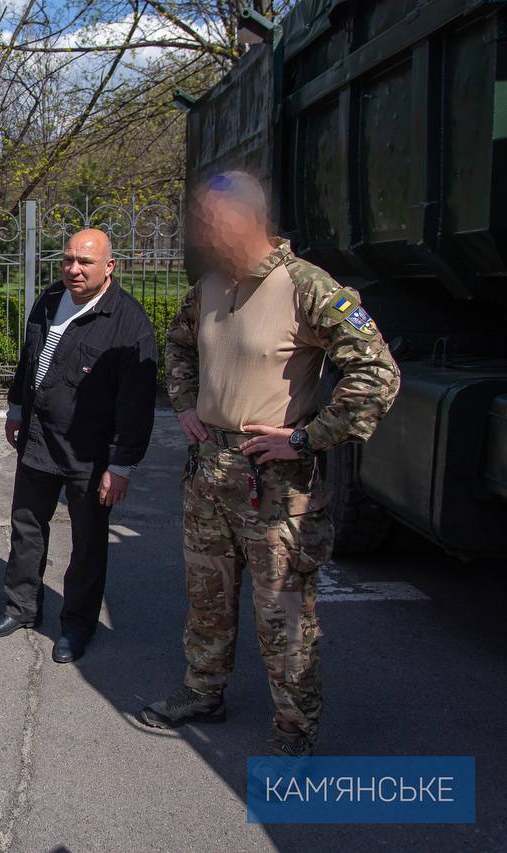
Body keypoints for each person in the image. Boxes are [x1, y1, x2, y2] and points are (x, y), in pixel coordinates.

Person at [138, 171, 400, 757]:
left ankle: (294, 728)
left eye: (211, 220)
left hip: (276, 485)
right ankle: (203, 691)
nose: (201, 232)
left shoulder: (306, 286)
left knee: (283, 614)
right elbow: (178, 344)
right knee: (207, 596)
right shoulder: (209, 286)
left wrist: (308, 438)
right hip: (208, 473)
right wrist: (185, 403)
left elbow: (377, 372)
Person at [0, 229, 157, 663]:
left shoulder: (128, 323)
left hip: (89, 453)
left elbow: (136, 404)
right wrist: (16, 407)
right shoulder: (51, 298)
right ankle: (20, 608)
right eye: (68, 259)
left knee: (87, 543)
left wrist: (122, 465)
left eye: (85, 262)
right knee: (26, 528)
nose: (74, 269)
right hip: (39, 438)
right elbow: (30, 357)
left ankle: (77, 626)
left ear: (109, 267)